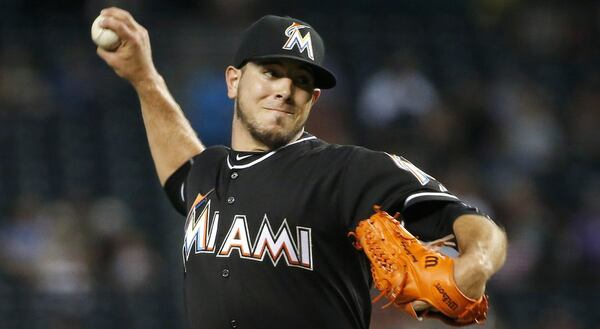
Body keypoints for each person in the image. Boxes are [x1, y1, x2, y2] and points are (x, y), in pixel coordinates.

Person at [96, 7, 507, 329]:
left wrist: (476, 264)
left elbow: (471, 221)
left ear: (313, 100)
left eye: (301, 81)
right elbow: (180, 168)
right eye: (272, 72)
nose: (285, 90)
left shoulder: (347, 171)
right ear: (234, 81)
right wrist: (144, 78)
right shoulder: (209, 173)